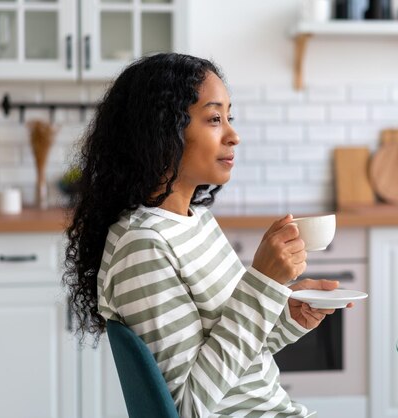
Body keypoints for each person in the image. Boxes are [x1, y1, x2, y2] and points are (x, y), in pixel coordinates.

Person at [63, 52, 351, 417]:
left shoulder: (196, 220)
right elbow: (187, 408)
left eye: (229, 118)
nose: (233, 135)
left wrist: (287, 313)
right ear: (163, 130)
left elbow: (237, 362)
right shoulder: (144, 248)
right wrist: (262, 283)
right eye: (215, 119)